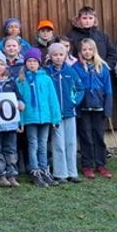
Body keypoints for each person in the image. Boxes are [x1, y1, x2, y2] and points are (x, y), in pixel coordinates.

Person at [15, 48, 61, 187]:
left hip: (45, 117)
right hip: (30, 118)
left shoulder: (46, 78)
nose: (32, 64)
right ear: (25, 63)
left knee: (42, 145)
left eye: (35, 61)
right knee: (33, 144)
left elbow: (52, 99)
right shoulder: (21, 80)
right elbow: (19, 101)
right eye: (29, 61)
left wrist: (55, 118)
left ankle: (44, 169)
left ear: (39, 63)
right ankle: (35, 171)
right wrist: (20, 121)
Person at [74, 39, 114, 179]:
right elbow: (75, 88)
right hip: (83, 107)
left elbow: (108, 89)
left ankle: (101, 164)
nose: (87, 52)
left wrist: (107, 108)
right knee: (86, 137)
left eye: (90, 49)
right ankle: (87, 165)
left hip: (99, 107)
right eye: (84, 49)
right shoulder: (76, 67)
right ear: (80, 52)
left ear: (94, 50)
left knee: (98, 136)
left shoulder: (102, 67)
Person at [44, 43, 83, 184]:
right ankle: (60, 173)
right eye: (55, 55)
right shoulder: (48, 73)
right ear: (50, 56)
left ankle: (72, 172)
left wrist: (74, 102)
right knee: (58, 143)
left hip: (69, 113)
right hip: (55, 115)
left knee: (71, 143)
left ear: (65, 55)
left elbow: (80, 89)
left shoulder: (71, 71)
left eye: (61, 55)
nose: (58, 57)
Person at [0, 52, 23, 187]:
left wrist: (20, 104)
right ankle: (0, 174)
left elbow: (19, 97)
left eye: (2, 64)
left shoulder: (11, 82)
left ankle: (12, 174)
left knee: (11, 149)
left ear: (6, 66)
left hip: (11, 123)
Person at [66, 6, 117, 71]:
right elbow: (68, 55)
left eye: (90, 18)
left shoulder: (102, 35)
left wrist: (106, 67)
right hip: (81, 72)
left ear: (94, 19)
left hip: (101, 71)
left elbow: (112, 53)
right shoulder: (71, 36)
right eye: (84, 18)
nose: (88, 21)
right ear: (79, 19)